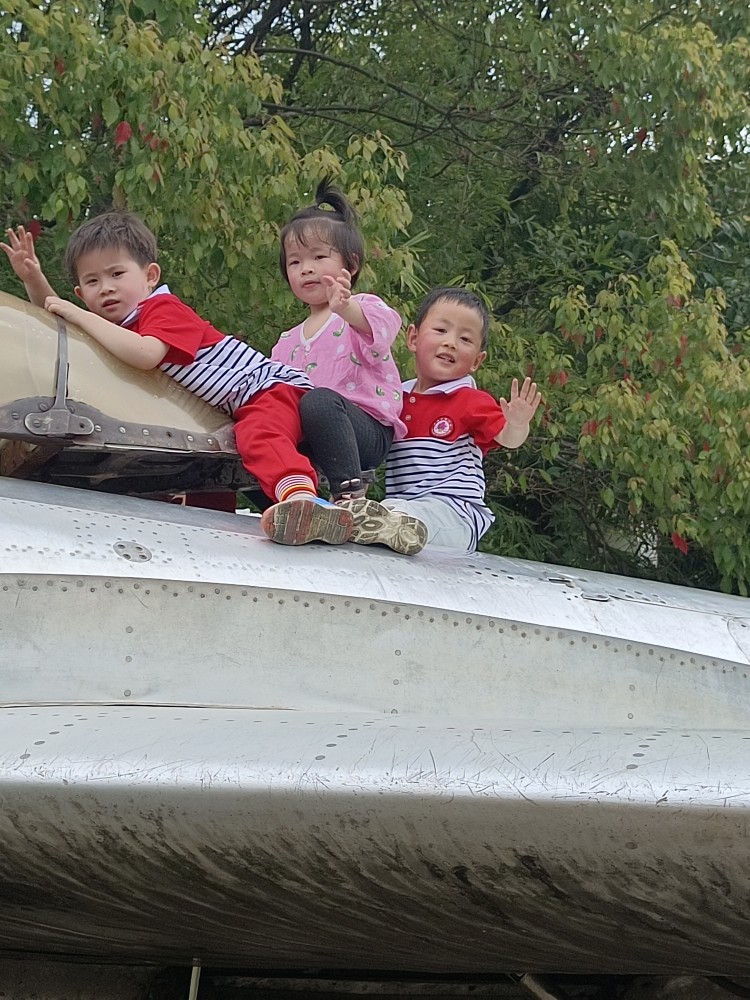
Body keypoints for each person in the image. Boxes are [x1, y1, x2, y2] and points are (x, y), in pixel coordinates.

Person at [1, 215, 354, 546]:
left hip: (265, 389)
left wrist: (77, 314)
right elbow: (62, 329)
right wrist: (34, 278)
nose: (106, 288)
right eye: (93, 282)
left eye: (116, 274)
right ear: (81, 293)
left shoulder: (162, 308)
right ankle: (217, 534)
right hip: (228, 406)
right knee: (212, 457)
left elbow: (146, 354)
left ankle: (301, 498)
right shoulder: (116, 329)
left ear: (150, 275)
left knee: (258, 435)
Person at [264, 179, 428, 556]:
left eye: (318, 257)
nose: (306, 269)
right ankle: (300, 506)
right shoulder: (286, 341)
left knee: (319, 400)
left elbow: (382, 331)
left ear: (349, 265)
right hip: (313, 437)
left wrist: (347, 308)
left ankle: (351, 499)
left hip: (363, 430)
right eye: (295, 262)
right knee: (268, 424)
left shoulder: (362, 307)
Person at [337, 286, 542, 554]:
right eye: (441, 330)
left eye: (465, 339)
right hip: (404, 510)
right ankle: (360, 520)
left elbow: (508, 439)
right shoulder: (393, 398)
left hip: (455, 515)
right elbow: (368, 445)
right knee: (388, 513)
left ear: (477, 361)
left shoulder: (469, 399)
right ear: (413, 338)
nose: (451, 342)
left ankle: (371, 521)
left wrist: (517, 424)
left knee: (394, 513)